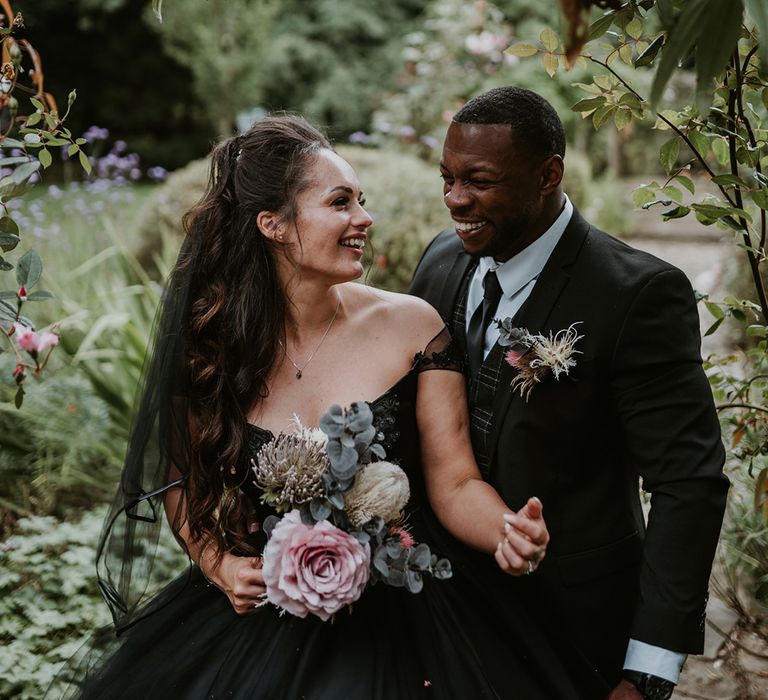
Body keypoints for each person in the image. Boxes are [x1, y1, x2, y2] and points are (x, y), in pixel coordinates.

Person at [57, 114, 607, 699]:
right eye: (340, 202)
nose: (364, 219)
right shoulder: (214, 347)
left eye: (361, 201)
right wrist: (218, 564)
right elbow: (178, 479)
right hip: (270, 616)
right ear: (272, 223)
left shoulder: (413, 328)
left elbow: (455, 485)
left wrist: (505, 530)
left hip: (413, 606)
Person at [410, 86, 730, 700]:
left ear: (547, 175)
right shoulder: (440, 262)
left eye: (477, 180)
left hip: (573, 628)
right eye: (446, 177)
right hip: (442, 617)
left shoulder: (637, 295)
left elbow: (688, 483)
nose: (455, 200)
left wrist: (648, 670)